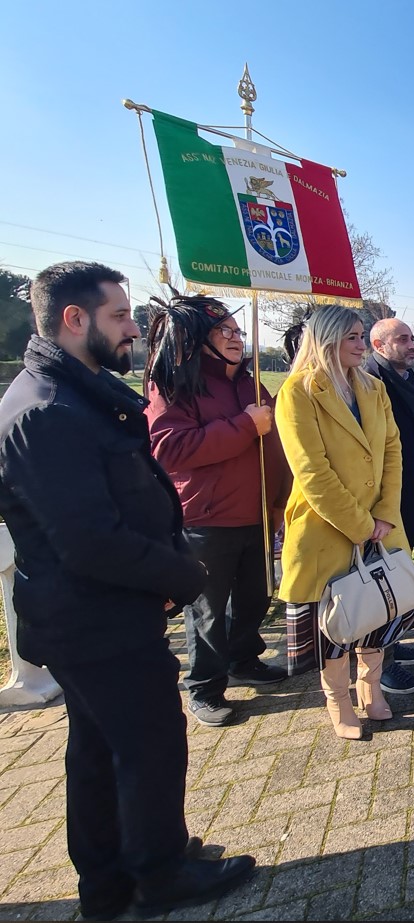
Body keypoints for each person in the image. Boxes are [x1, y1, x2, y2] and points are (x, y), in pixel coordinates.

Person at [0, 261, 254, 920]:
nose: (134, 326)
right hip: (96, 620)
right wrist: (181, 573)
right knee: (149, 743)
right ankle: (160, 872)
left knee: (98, 748)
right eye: (119, 315)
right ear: (72, 319)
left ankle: (112, 877)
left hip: (96, 613)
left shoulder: (73, 393)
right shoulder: (47, 411)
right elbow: (90, 539)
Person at [144, 295, 290, 728]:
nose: (235, 338)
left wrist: (279, 502)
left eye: (237, 331)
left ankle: (245, 658)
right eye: (223, 331)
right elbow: (169, 448)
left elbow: (276, 446)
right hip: (206, 518)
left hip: (258, 512)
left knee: (255, 597)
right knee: (208, 610)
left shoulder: (251, 381)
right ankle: (205, 687)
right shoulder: (174, 385)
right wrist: (245, 425)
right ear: (195, 339)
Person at [276, 305, 411, 740]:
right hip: (326, 528)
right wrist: (360, 524)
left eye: (360, 336)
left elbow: (393, 449)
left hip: (382, 525)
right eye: (352, 337)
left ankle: (369, 688)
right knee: (335, 622)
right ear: (328, 339)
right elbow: (311, 471)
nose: (360, 343)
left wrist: (386, 513)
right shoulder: (298, 391)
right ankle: (338, 701)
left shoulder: (372, 387)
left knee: (376, 612)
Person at [364, 318, 414, 693]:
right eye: (402, 339)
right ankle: (380, 665)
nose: (411, 345)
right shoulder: (372, 380)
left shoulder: (404, 377)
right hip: (383, 497)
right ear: (379, 344)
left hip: (409, 487)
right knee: (381, 577)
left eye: (411, 339)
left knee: (398, 569)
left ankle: (392, 640)